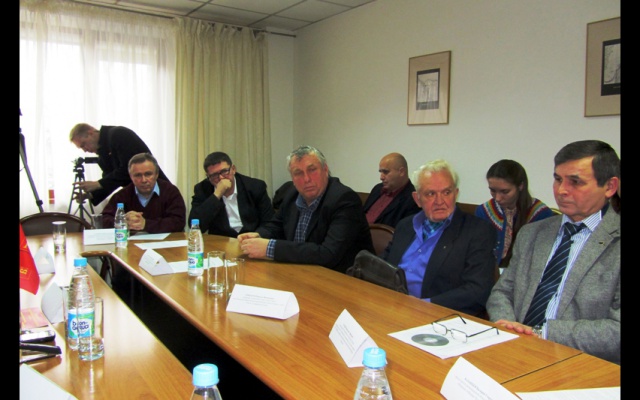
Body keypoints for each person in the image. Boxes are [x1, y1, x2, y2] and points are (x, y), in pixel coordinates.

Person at [486, 140, 620, 364]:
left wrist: (542, 333)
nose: (561, 190)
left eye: (575, 182)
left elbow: (616, 330)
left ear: (609, 187)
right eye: (558, 179)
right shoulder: (532, 233)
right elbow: (502, 291)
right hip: (513, 350)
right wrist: (507, 325)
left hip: (580, 364)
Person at [381, 159, 497, 316]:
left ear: (456, 194)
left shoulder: (477, 231)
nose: (440, 201)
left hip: (437, 317)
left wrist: (423, 306)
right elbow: (383, 266)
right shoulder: (405, 226)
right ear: (417, 199)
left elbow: (478, 290)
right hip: (390, 306)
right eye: (431, 194)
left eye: (446, 192)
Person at [238, 145, 374, 272]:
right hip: (302, 271)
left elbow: (328, 254)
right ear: (292, 178)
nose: (307, 179)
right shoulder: (292, 195)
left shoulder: (345, 199)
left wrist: (270, 249)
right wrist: (259, 235)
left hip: (343, 277)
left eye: (312, 170)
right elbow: (275, 226)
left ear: (325, 170)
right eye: (298, 173)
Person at [475, 159, 555, 268]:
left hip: (525, 272)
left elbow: (541, 257)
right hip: (490, 271)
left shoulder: (541, 214)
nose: (497, 198)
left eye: (505, 191)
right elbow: (478, 251)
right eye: (493, 190)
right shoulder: (484, 211)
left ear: (520, 186)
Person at [70, 123, 170, 206]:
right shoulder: (102, 153)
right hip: (140, 197)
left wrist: (98, 184)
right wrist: (91, 195)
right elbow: (111, 180)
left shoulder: (118, 134)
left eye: (83, 144)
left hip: (158, 193)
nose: (85, 150)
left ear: (90, 133)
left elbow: (130, 169)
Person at [188, 152, 275, 237]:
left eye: (224, 171)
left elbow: (269, 223)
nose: (221, 178)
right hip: (221, 242)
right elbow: (196, 227)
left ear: (233, 169)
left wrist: (257, 235)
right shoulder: (202, 189)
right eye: (214, 175)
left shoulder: (255, 186)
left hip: (251, 238)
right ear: (208, 176)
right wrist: (217, 195)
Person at [101, 153, 186, 233]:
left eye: (148, 174)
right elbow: (103, 220)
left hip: (166, 242)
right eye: (138, 175)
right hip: (132, 242)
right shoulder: (122, 195)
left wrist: (145, 224)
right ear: (131, 177)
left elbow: (179, 222)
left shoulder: (170, 191)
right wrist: (123, 221)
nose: (144, 180)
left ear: (156, 174)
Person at [363, 152, 421, 227]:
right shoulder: (377, 188)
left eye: (385, 172)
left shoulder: (412, 199)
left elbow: (402, 230)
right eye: (380, 172)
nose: (381, 177)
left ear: (401, 172)